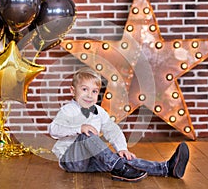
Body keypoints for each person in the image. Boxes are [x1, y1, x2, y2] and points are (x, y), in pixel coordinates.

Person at [49, 67, 189, 182]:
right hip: (71, 160)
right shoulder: (68, 110)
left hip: (91, 160)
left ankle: (166, 168)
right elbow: (53, 130)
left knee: (122, 158)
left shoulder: (99, 111)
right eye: (84, 89)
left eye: (94, 91)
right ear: (73, 91)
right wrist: (79, 128)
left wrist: (122, 148)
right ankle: (118, 167)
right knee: (87, 135)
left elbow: (112, 130)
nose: (89, 95)